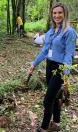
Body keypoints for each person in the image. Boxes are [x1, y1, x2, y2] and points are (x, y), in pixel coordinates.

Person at [28, 3, 77, 132]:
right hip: (49, 66)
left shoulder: (70, 32)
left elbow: (69, 54)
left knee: (48, 99)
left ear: (65, 14)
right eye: (54, 13)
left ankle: (44, 127)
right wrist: (34, 63)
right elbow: (44, 51)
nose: (57, 15)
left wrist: (66, 72)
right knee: (54, 96)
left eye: (60, 12)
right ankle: (56, 123)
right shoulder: (50, 31)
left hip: (60, 68)